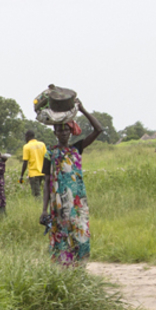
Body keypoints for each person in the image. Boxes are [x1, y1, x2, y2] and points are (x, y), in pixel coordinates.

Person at [40, 101, 104, 267]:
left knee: (81, 238)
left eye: (66, 129)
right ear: (55, 132)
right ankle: (64, 274)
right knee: (62, 239)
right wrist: (43, 209)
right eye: (60, 130)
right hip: (58, 206)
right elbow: (46, 181)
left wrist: (82, 109)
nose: (63, 133)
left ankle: (80, 269)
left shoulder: (77, 148)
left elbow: (99, 129)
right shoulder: (49, 153)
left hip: (78, 204)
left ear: (71, 131)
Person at [20, 130, 47, 199]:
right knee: (45, 190)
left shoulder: (26, 146)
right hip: (43, 172)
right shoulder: (42, 144)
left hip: (34, 173)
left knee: (36, 194)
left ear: (27, 137)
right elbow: (46, 158)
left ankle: (39, 207)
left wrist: (21, 175)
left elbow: (25, 162)